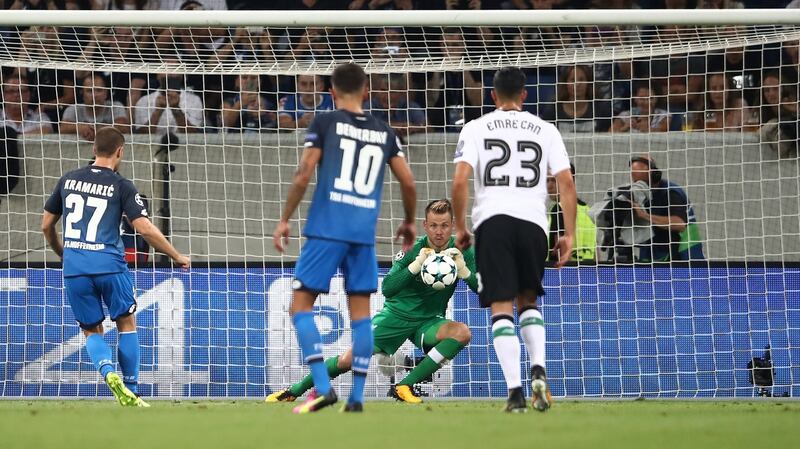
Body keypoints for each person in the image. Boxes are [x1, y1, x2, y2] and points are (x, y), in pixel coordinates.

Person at [272, 62, 417, 414]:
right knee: (362, 316)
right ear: (366, 90)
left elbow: (304, 173)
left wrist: (285, 219)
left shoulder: (325, 122)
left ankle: (323, 387)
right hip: (363, 235)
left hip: (327, 229)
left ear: (332, 93)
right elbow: (408, 181)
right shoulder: (384, 131)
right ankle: (356, 398)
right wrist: (410, 222)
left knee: (300, 306)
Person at [451, 67, 576, 413]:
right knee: (529, 301)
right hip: (535, 222)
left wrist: (461, 227)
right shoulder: (546, 129)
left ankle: (515, 393)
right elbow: (565, 182)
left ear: (493, 96)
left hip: (493, 221)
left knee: (500, 307)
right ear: (524, 95)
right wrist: (568, 233)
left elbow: (460, 181)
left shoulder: (475, 127)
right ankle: (539, 367)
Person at [267, 199, 476, 405]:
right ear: (425, 225)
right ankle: (293, 391)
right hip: (396, 317)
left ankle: (405, 386)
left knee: (462, 332)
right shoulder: (412, 249)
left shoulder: (462, 251)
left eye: (444, 226)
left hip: (429, 321)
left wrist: (464, 270)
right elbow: (388, 288)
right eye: (433, 226)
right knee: (347, 360)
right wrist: (417, 263)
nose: (439, 232)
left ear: (453, 226)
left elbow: (482, 291)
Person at [40, 126, 190, 407]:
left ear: (94, 149)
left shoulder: (68, 180)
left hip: (75, 268)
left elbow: (46, 225)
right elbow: (143, 228)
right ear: (120, 151)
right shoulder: (121, 185)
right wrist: (176, 254)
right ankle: (131, 387)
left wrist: (64, 253)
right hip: (110, 265)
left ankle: (108, 371)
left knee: (91, 330)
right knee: (126, 323)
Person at [626, 155, 704, 261]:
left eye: (643, 183)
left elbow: (679, 224)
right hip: (657, 250)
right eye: (637, 183)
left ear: (655, 175)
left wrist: (644, 216)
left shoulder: (671, 192)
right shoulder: (640, 194)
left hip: (684, 254)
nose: (641, 187)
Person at [546, 164, 596, 262]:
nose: (549, 186)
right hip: (588, 273)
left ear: (568, 181)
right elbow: (595, 254)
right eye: (547, 181)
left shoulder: (559, 209)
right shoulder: (588, 210)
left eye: (553, 180)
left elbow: (562, 252)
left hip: (563, 273)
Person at [133, 70, 204, 136]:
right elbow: (141, 135)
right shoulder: (144, 101)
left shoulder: (194, 100)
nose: (170, 74)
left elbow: (194, 135)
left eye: (174, 69)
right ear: (158, 74)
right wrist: (158, 111)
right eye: (166, 69)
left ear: (182, 75)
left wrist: (176, 108)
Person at [61, 74, 130, 141]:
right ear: (82, 93)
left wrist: (94, 131)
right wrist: (79, 127)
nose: (94, 95)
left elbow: (123, 127)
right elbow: (62, 128)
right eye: (89, 91)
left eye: (99, 90)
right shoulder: (73, 109)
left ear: (106, 93)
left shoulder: (116, 107)